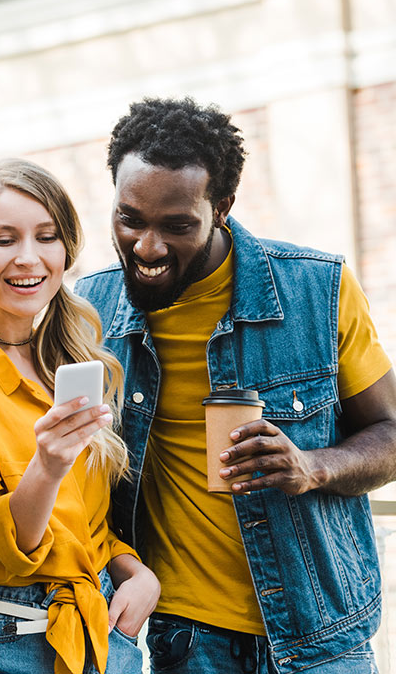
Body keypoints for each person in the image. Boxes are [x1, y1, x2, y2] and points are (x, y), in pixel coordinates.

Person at [74, 97, 396, 673]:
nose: (147, 247)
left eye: (177, 226)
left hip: (324, 637)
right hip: (183, 640)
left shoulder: (316, 292)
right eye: (130, 219)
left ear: (222, 206)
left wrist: (313, 466)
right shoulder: (89, 312)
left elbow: (391, 433)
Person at [0, 158, 159, 674]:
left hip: (101, 635)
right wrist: (47, 465)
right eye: (3, 239)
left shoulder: (72, 360)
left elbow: (82, 524)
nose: (29, 258)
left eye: (47, 237)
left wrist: (134, 573)